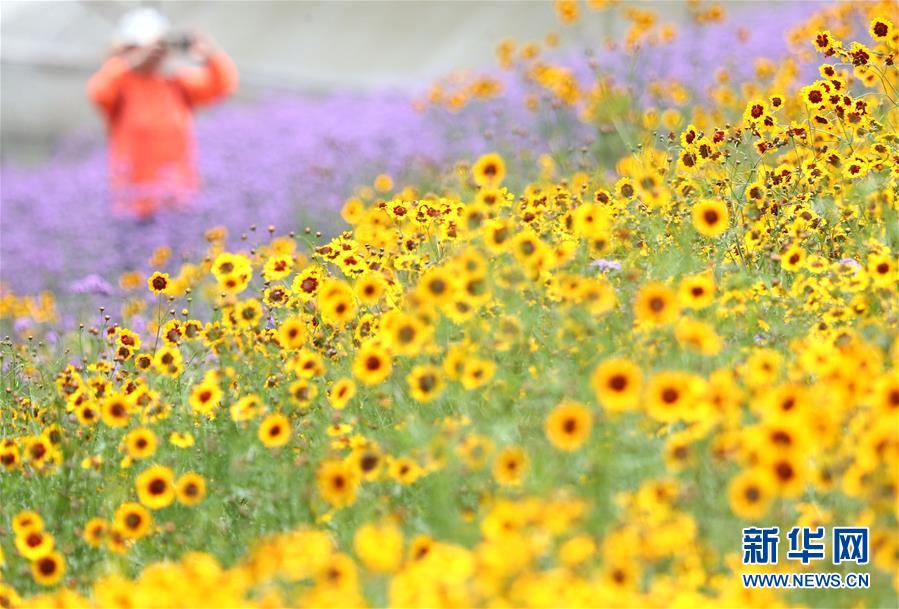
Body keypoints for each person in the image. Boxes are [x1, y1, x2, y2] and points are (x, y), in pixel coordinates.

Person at [87, 8, 238, 221]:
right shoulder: (121, 82)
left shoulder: (175, 83)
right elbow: (98, 93)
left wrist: (209, 54)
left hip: (178, 196)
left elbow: (221, 85)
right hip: (135, 200)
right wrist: (131, 63)